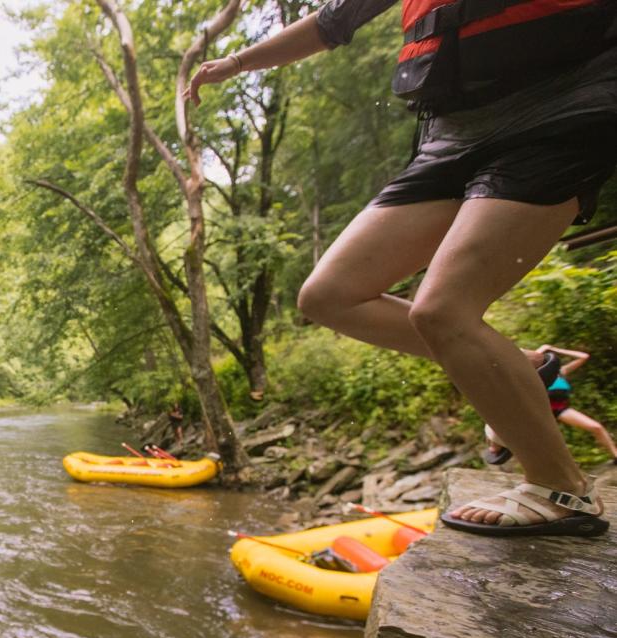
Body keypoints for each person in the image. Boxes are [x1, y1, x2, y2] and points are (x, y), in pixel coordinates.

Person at [187, 1, 616, 536]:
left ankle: (562, 488)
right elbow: (330, 25)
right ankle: (526, 367)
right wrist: (233, 63)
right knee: (328, 295)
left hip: (562, 114)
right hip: (451, 139)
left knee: (442, 310)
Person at [485, 345, 617, 465]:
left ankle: (615, 455)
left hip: (560, 410)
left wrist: (554, 349)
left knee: (596, 427)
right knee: (506, 433)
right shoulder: (536, 374)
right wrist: (543, 350)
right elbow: (531, 360)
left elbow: (584, 357)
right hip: (537, 412)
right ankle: (496, 444)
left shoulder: (562, 372)